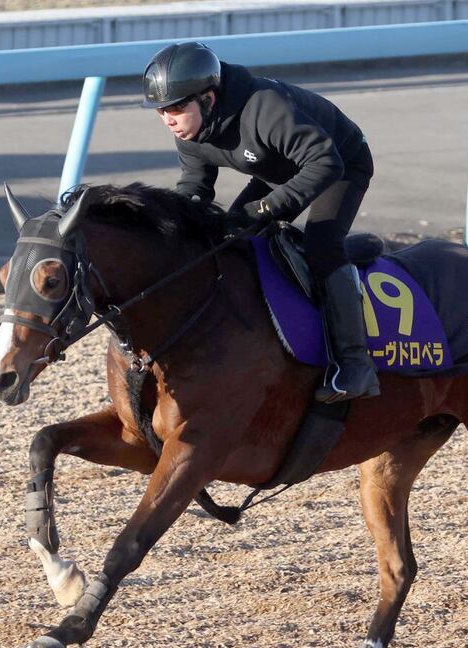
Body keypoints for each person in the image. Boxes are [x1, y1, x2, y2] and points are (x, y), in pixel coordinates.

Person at [141, 41, 379, 404]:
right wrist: (171, 225)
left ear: (208, 98)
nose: (168, 120)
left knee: (321, 244)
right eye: (160, 112)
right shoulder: (188, 133)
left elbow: (325, 164)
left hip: (340, 162)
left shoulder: (266, 108)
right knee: (230, 239)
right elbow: (194, 188)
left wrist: (267, 208)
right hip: (278, 169)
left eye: (175, 108)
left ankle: (354, 366)